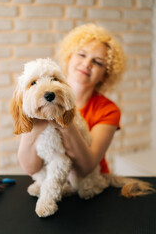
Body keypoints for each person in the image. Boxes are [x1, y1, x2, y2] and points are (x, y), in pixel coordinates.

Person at [18, 24, 126, 177]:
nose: (87, 64)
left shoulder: (108, 110)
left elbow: (86, 167)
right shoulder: (38, 101)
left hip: (90, 184)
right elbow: (31, 169)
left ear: (105, 74)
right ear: (69, 57)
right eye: (82, 55)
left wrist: (66, 123)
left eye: (98, 62)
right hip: (54, 183)